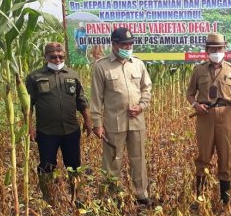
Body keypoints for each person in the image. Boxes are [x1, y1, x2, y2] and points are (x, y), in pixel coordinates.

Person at [90, 27, 153, 205]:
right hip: (113, 122)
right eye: (125, 44)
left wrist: (141, 106)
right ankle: (111, 197)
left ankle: (141, 194)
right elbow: (96, 97)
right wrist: (97, 122)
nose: (128, 47)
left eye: (131, 44)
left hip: (136, 121)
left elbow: (146, 88)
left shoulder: (138, 64)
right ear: (115, 44)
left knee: (138, 158)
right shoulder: (101, 66)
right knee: (112, 160)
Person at [26, 42, 92, 204]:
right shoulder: (35, 77)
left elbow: (81, 101)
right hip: (46, 131)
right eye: (53, 57)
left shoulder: (72, 75)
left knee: (74, 164)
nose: (57, 60)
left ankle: (77, 196)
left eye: (60, 57)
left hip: (71, 129)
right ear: (46, 57)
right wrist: (30, 128)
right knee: (47, 165)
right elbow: (27, 105)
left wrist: (88, 120)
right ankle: (49, 198)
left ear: (64, 56)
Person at [186, 33, 231, 204]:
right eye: (212, 48)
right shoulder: (199, 70)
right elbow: (190, 94)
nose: (216, 51)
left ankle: (225, 199)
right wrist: (195, 105)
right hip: (205, 116)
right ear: (207, 50)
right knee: (203, 156)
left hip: (226, 116)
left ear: (224, 49)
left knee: (225, 155)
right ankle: (200, 197)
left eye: (219, 48)